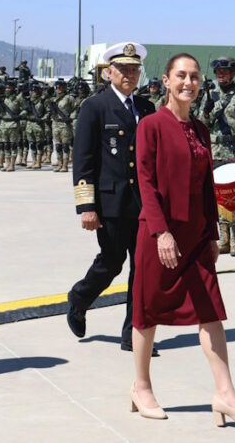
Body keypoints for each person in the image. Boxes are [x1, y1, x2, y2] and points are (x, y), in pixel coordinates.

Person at [129, 53, 235, 426]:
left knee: (211, 313)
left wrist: (213, 234)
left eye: (194, 76)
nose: (188, 82)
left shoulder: (201, 129)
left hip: (196, 236)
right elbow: (146, 183)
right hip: (160, 235)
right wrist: (161, 232)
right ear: (166, 81)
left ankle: (225, 394)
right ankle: (141, 387)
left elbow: (207, 187)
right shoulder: (151, 126)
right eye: (181, 76)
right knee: (148, 313)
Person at [66, 42, 158, 355]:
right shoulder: (95, 107)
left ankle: (134, 334)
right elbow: (83, 160)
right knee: (111, 263)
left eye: (134, 69)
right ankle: (79, 298)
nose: (129, 74)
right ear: (109, 73)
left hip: (144, 204)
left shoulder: (147, 108)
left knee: (143, 270)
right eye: (123, 69)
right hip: (111, 204)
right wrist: (87, 206)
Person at [199, 56, 235, 255]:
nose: (221, 75)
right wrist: (205, 112)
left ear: (233, 73)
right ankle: (223, 238)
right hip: (214, 152)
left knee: (234, 197)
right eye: (218, 72)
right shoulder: (209, 94)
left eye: (225, 72)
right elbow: (202, 125)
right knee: (218, 198)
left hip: (233, 151)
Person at [50, 78, 78, 172]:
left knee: (65, 146)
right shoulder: (53, 98)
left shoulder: (69, 98)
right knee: (58, 145)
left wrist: (71, 117)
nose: (58, 89)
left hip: (65, 124)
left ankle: (65, 165)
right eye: (57, 87)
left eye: (60, 87)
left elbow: (76, 108)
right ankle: (59, 163)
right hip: (55, 123)